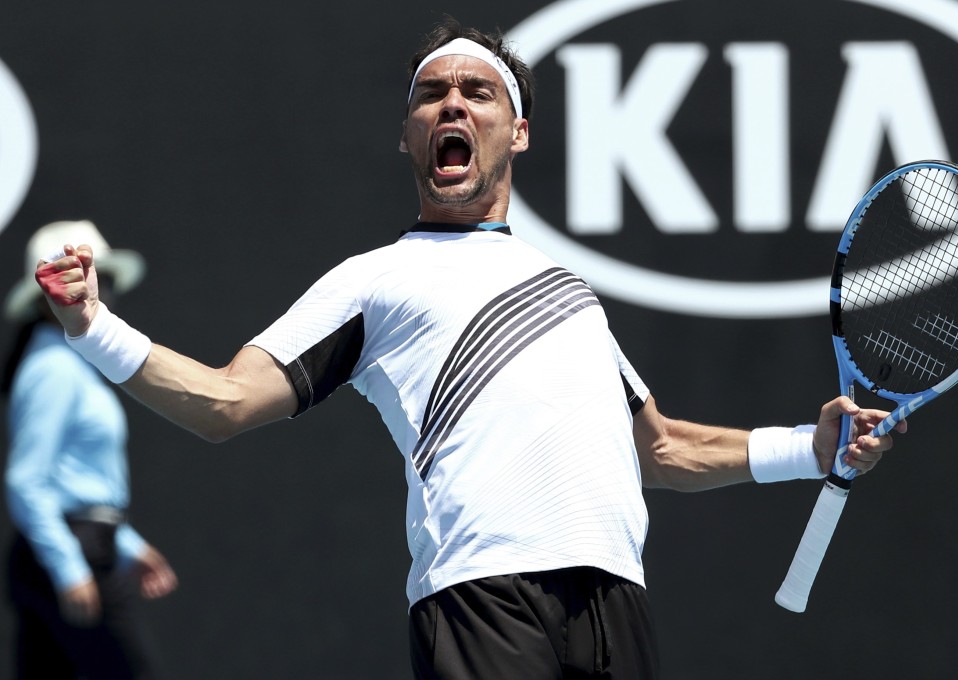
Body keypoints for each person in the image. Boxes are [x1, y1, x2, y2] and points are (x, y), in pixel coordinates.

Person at [33, 20, 905, 680]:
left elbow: (663, 448)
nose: (451, 102)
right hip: (484, 602)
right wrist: (94, 327)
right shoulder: (371, 282)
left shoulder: (568, 294)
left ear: (516, 133)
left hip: (615, 603)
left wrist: (809, 448)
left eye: (478, 92)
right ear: (409, 137)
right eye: (430, 93)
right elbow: (224, 403)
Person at [3, 220, 178, 679]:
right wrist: (68, 568)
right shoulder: (54, 369)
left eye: (103, 278)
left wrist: (124, 543)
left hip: (75, 550)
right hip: (68, 558)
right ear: (48, 295)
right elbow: (27, 480)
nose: (105, 291)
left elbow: (74, 482)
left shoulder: (66, 363)